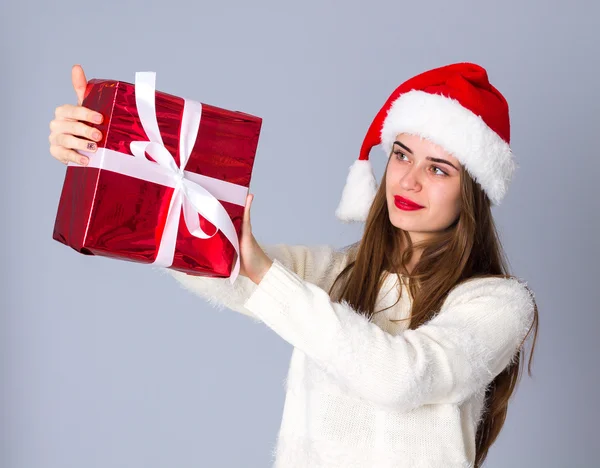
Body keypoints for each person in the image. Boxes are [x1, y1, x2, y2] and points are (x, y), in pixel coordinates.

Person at [49, 62, 539, 468]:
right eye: (401, 155)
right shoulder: (343, 273)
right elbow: (226, 274)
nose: (408, 181)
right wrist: (108, 154)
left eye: (437, 169)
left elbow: (403, 377)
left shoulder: (497, 303)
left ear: (471, 191)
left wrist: (263, 271)